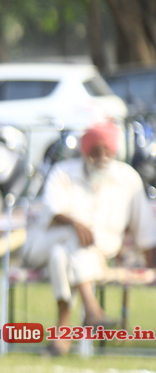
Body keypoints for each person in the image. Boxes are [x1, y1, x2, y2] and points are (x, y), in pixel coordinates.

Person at [19, 121, 156, 355]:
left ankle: (62, 332)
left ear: (115, 151)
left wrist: (151, 266)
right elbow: (52, 209)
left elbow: (144, 228)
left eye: (107, 150)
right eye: (95, 150)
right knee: (73, 237)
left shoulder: (128, 178)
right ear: (85, 151)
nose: (102, 157)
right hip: (42, 245)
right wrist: (74, 223)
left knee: (61, 255)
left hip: (92, 255)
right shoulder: (63, 171)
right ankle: (92, 309)